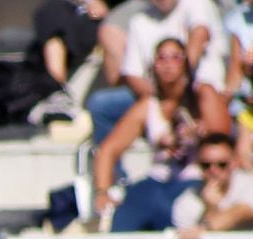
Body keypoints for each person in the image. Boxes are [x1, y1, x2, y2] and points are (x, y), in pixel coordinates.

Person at [90, 39, 204, 239]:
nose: (167, 65)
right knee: (134, 198)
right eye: (161, 58)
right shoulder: (148, 106)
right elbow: (108, 150)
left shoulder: (201, 98)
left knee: (185, 208)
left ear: (186, 63)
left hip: (194, 179)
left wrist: (198, 133)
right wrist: (102, 191)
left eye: (175, 57)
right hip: (160, 181)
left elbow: (221, 132)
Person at [88, 0, 228, 144]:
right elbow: (132, 74)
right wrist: (160, 97)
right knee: (101, 104)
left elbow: (199, 35)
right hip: (155, 94)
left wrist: (180, 87)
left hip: (197, 90)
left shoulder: (197, 4)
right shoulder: (139, 20)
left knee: (206, 93)